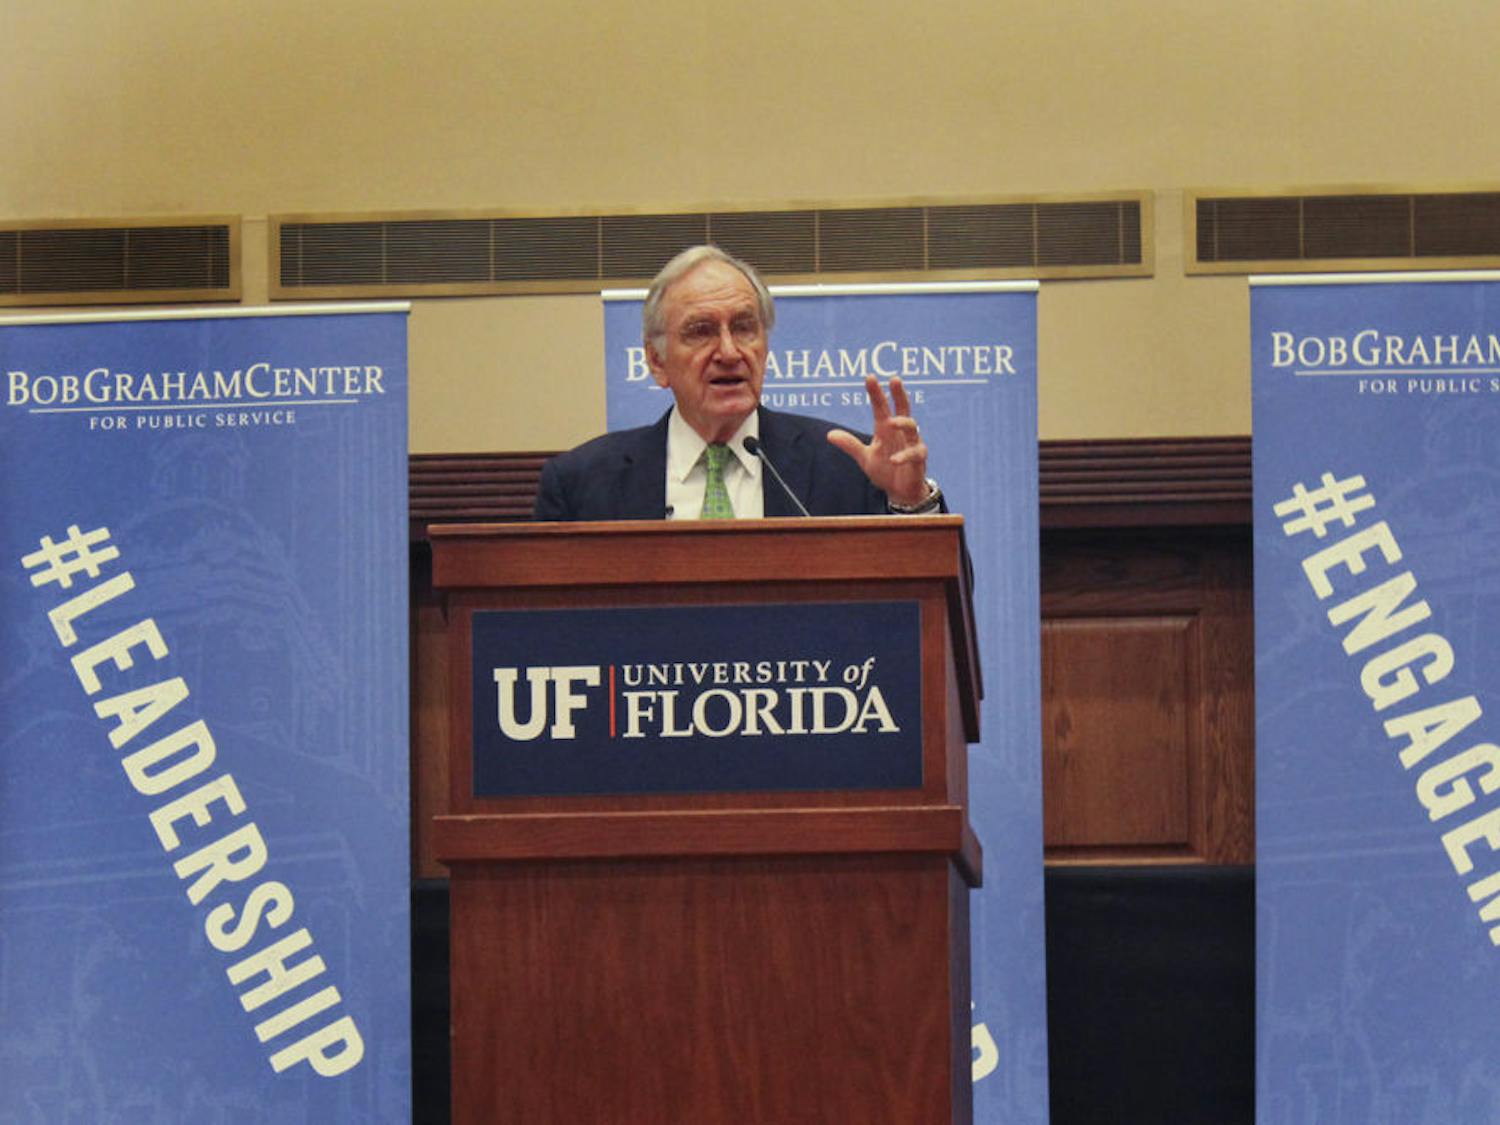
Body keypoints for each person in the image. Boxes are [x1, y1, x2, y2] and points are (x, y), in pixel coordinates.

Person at [533, 245, 945, 521]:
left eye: (745, 328)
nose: (729, 352)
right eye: (700, 331)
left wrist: (910, 503)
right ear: (657, 361)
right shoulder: (582, 486)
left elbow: (929, 615)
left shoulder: (849, 469)